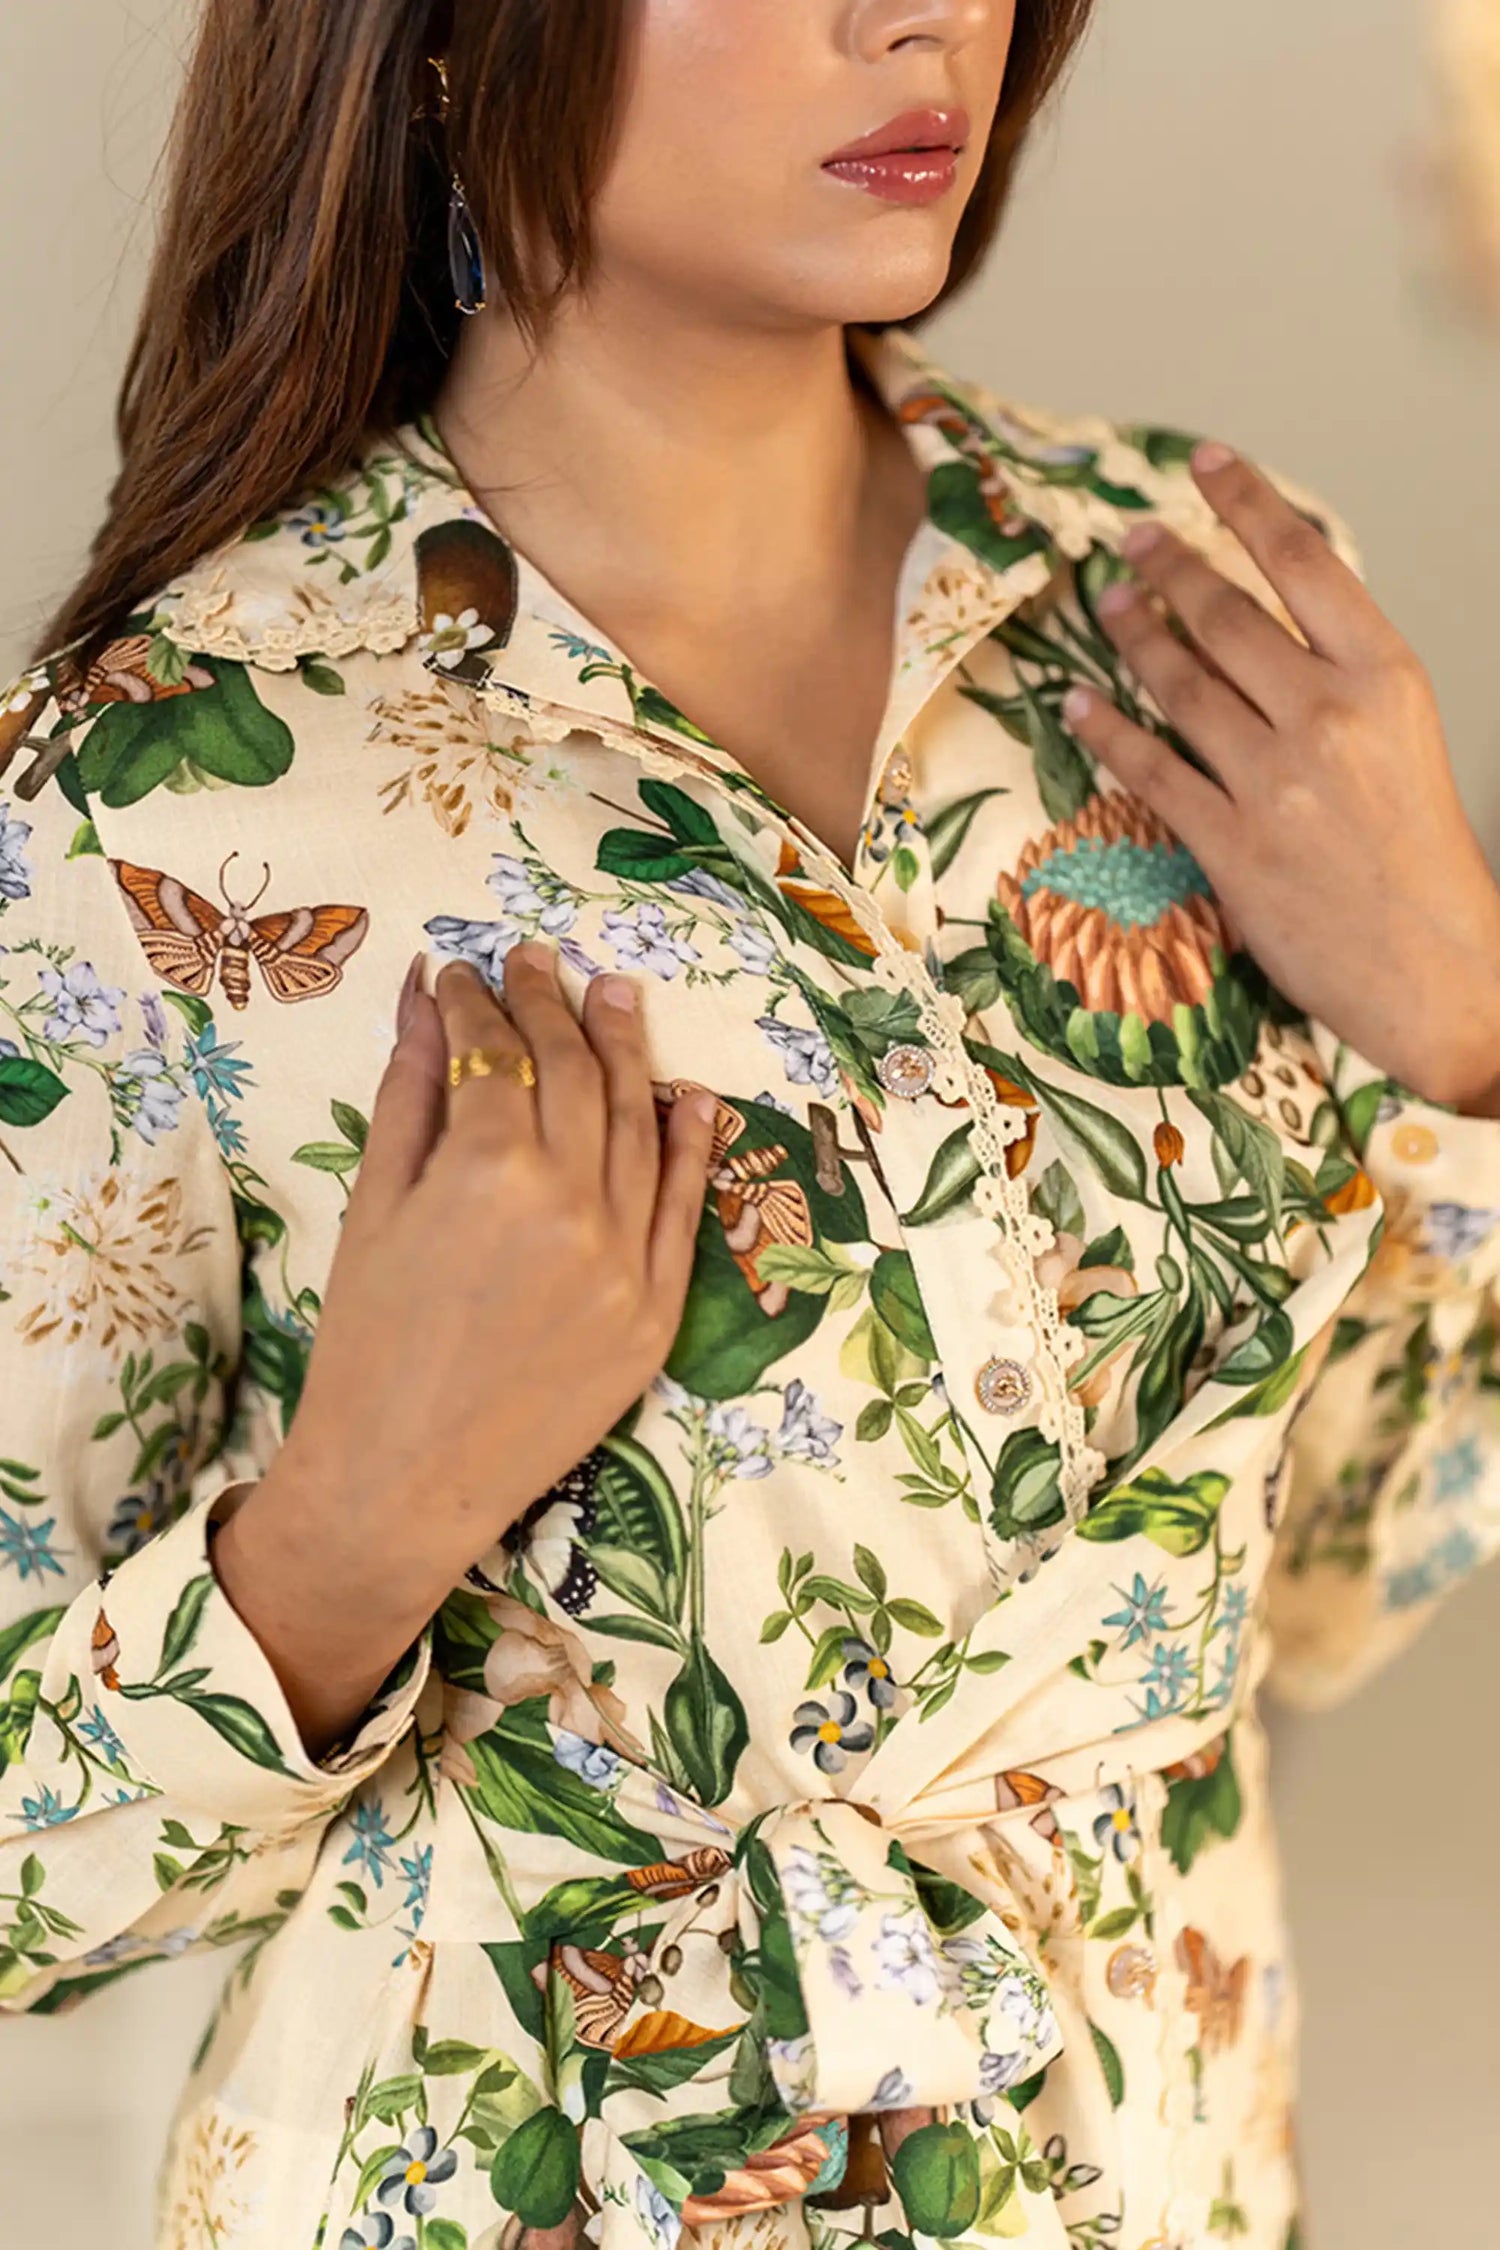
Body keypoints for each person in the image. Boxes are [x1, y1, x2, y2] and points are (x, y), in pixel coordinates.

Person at [1, 4, 1497, 2247]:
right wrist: (347, 1530)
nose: (914, 17)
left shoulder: (1201, 622)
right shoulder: (154, 803)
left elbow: (1335, 1586)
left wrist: (1467, 1035)